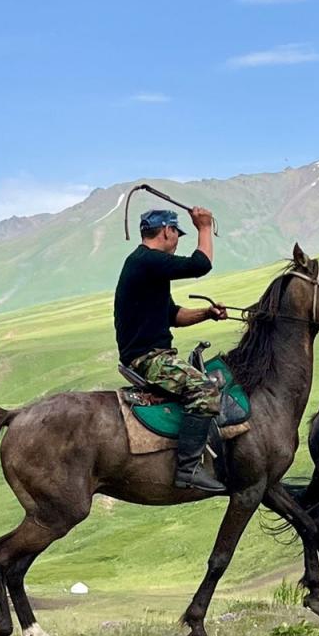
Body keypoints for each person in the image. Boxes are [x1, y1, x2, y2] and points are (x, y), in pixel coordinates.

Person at [114, 206, 228, 493]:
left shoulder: (146, 268)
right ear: (168, 230)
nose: (177, 239)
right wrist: (204, 227)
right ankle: (188, 469)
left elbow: (172, 315)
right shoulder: (147, 260)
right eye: (177, 233)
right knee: (205, 390)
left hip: (150, 354)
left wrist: (207, 313)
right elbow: (200, 264)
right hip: (147, 359)